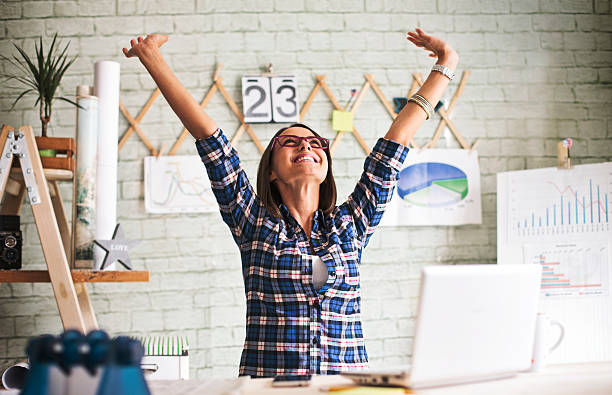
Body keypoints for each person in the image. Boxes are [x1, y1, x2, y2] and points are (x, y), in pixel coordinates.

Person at [123, 28, 458, 378]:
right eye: (291, 143)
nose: (307, 147)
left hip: (344, 387)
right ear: (270, 171)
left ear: (325, 165)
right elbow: (210, 140)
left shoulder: (351, 225)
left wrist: (446, 63)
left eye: (316, 143)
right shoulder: (253, 223)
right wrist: (151, 57)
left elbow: (395, 142)